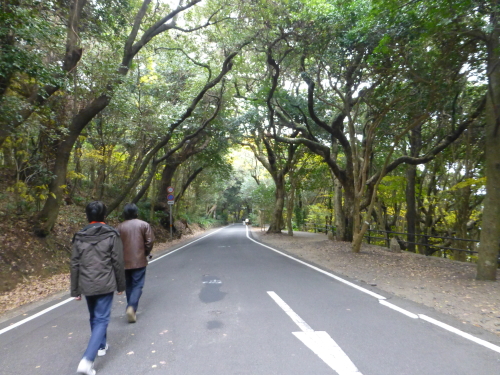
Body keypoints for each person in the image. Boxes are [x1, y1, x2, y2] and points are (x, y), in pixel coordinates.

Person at [71, 201, 125, 375]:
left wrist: (75, 290)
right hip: (105, 282)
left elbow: (75, 264)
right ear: (104, 216)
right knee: (101, 319)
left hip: (86, 283)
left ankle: (101, 345)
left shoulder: (79, 236)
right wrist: (121, 285)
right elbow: (117, 261)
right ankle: (87, 360)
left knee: (94, 316)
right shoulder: (112, 235)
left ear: (87, 216)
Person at [116, 203, 155, 323]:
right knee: (137, 284)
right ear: (136, 213)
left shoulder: (119, 227)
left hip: (123, 261)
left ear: (125, 214)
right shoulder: (144, 225)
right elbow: (150, 241)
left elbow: (115, 244)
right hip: (139, 260)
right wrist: (145, 252)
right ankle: (131, 307)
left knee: (129, 285)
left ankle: (131, 308)